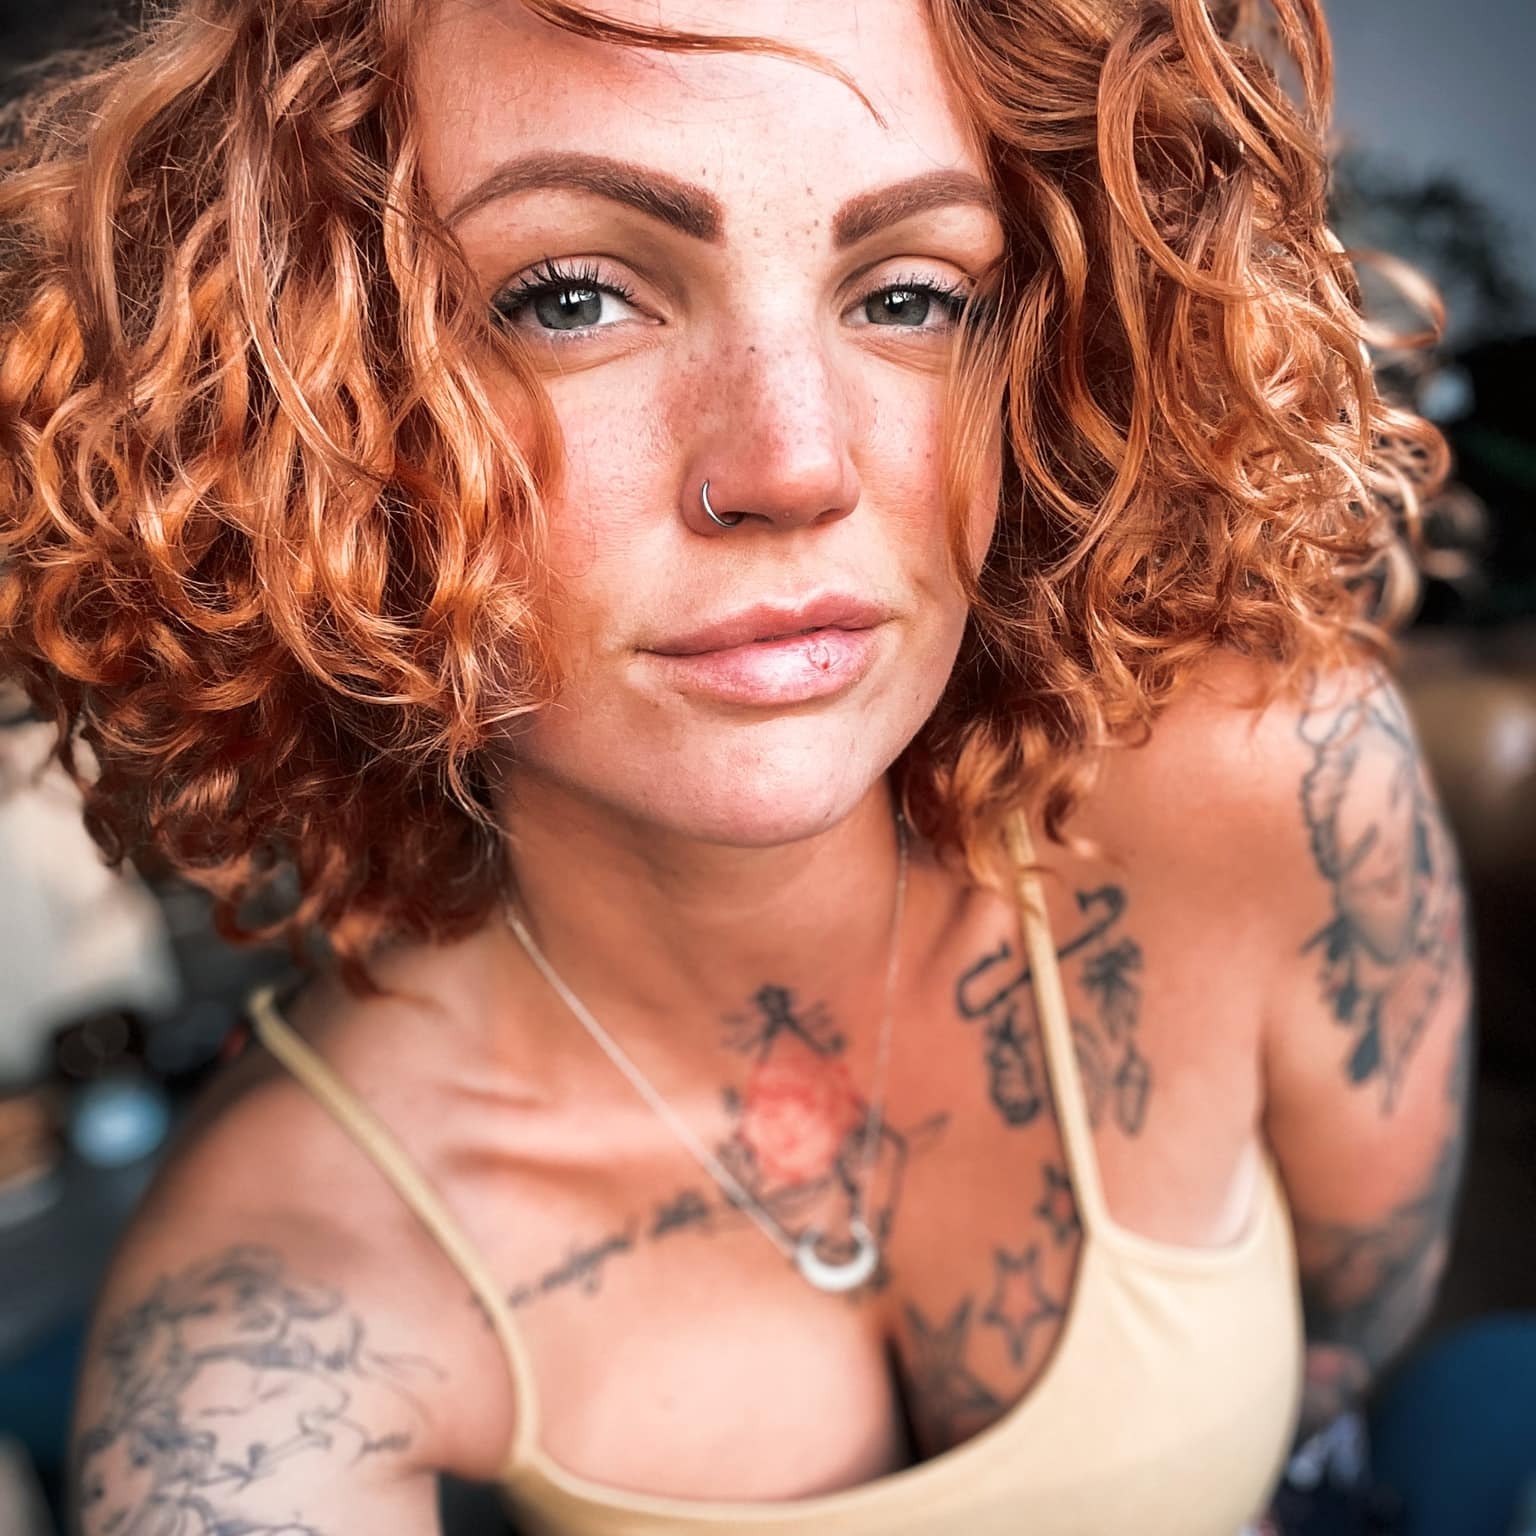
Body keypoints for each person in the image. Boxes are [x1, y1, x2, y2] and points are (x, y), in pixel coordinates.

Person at [0, 0, 1473, 1532]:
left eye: (910, 295)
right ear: (312, 404)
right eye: (573, 298)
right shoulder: (268, 1320)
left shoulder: (1268, 787)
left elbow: (1350, 1346)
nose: (795, 464)